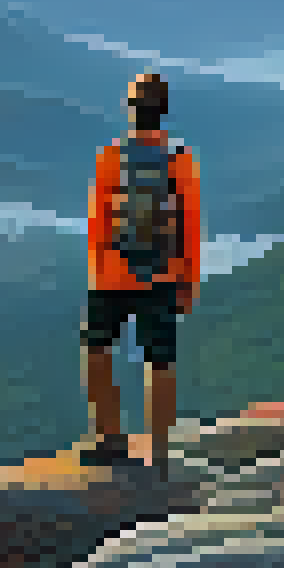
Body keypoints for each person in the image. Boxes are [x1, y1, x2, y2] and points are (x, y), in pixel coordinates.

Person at [79, 71, 201, 478]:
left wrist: (100, 273)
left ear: (130, 110)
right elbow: (189, 225)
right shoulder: (180, 159)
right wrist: (188, 281)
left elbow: (98, 221)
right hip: (164, 275)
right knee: (160, 361)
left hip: (112, 275)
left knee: (97, 352)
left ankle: (110, 440)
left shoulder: (111, 157)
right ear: (163, 110)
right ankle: (161, 453)